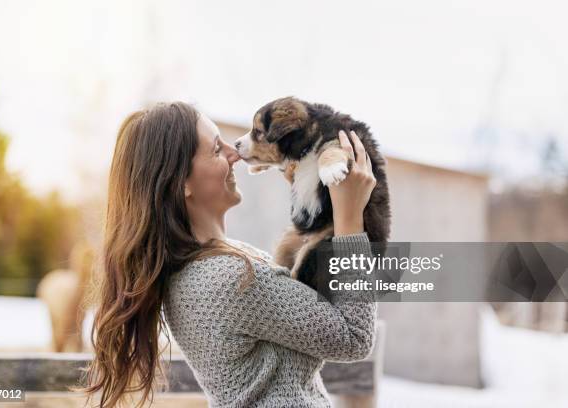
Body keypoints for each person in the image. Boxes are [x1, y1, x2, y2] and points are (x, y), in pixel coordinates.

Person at [83, 102, 377, 408]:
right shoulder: (231, 278)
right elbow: (354, 336)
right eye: (216, 150)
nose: (234, 153)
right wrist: (350, 221)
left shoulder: (208, 268)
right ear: (181, 182)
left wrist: (310, 194)